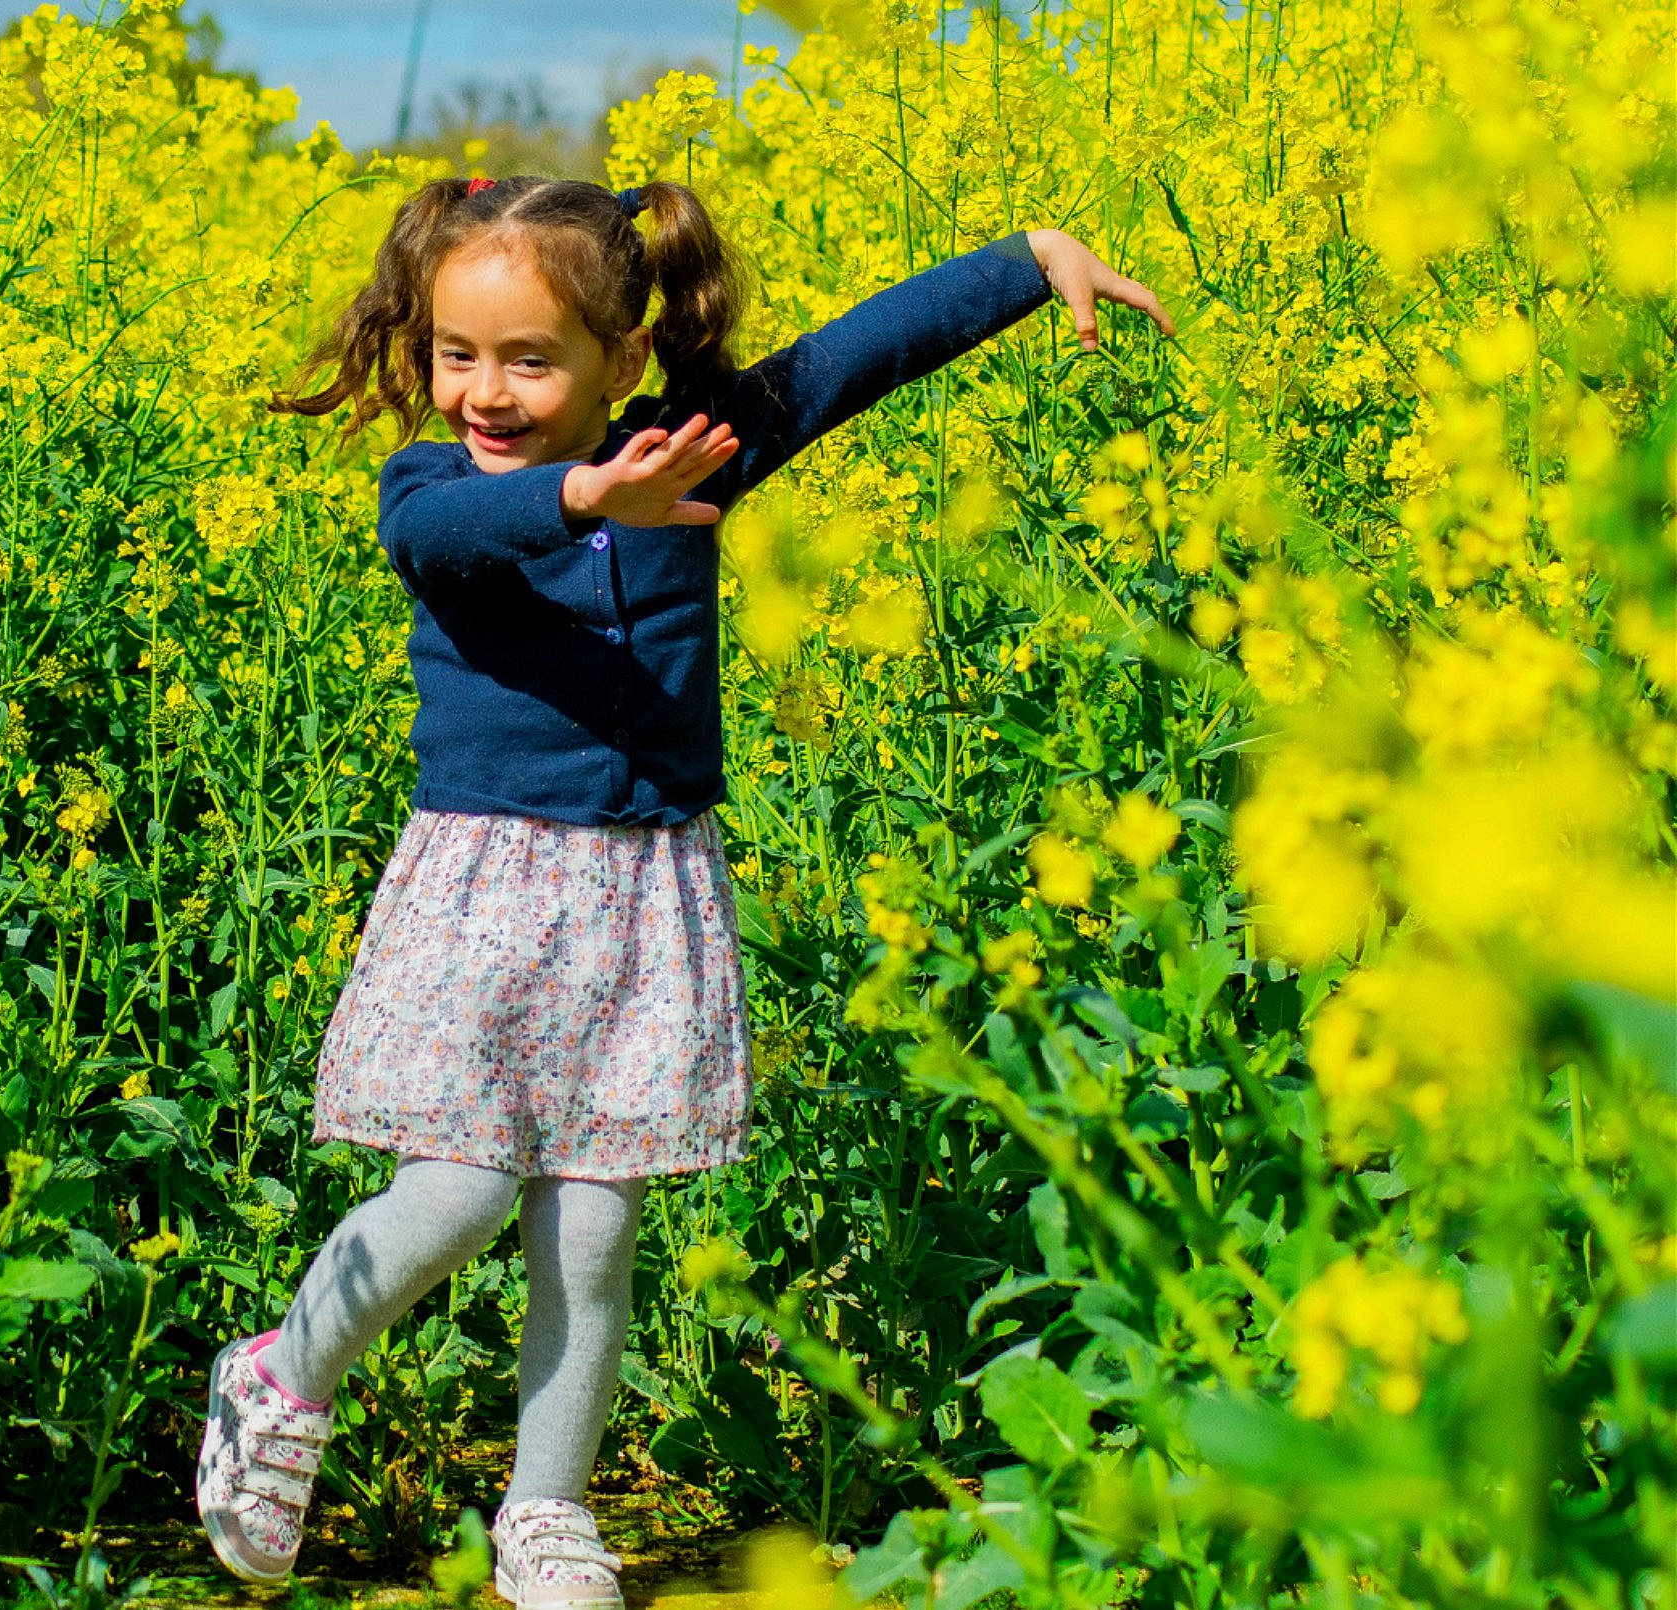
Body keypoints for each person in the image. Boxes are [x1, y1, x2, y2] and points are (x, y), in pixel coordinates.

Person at [193, 173, 1173, 1606]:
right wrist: (584, 494)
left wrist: (1033, 258)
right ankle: (283, 1372)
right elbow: (445, 543)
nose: (485, 389)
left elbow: (844, 363)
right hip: (489, 884)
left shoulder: (691, 447)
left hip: (642, 888)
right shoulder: (432, 484)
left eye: (530, 360)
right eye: (459, 354)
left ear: (623, 360)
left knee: (594, 1227)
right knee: (460, 1190)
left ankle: (545, 1508)